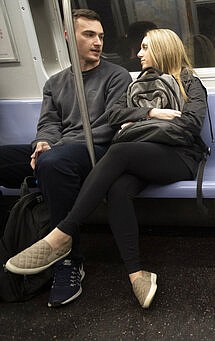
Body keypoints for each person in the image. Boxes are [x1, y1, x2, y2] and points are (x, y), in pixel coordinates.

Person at [5, 28, 208, 309]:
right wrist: (152, 115)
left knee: (119, 150)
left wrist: (137, 128)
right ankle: (137, 274)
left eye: (145, 47)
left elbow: (189, 127)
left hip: (180, 157)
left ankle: (62, 234)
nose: (138, 54)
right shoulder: (139, 84)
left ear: (162, 48)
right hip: (144, 155)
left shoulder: (189, 82)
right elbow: (115, 116)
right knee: (117, 187)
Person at [0, 9, 132, 307]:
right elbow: (48, 122)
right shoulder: (55, 83)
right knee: (31, 160)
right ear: (68, 39)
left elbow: (109, 126)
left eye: (100, 36)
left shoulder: (116, 76)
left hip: (94, 151)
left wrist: (55, 150)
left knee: (54, 164)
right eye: (88, 35)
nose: (97, 42)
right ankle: (8, 242)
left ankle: (68, 262)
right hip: (59, 150)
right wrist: (43, 143)